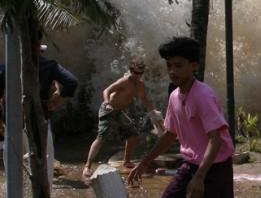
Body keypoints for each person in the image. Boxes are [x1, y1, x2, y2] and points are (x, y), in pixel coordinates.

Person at [128, 37, 236, 198]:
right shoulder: (175, 96)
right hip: (190, 166)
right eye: (169, 66)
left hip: (214, 169)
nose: (172, 71)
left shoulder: (203, 95)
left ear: (193, 65)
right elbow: (169, 135)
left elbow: (216, 140)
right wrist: (144, 162)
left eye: (178, 65)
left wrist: (200, 177)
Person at [0, 36, 78, 185]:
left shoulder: (7, 67)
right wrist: (55, 102)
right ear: (37, 49)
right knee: (44, 156)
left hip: (13, 118)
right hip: (38, 117)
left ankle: (15, 194)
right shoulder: (49, 66)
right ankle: (43, 194)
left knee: (14, 158)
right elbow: (71, 82)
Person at [82, 59, 159, 178]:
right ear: (131, 71)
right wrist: (107, 103)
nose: (138, 75)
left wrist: (153, 111)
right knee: (101, 138)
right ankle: (87, 167)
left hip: (122, 111)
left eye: (140, 73)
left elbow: (144, 99)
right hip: (109, 109)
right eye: (136, 72)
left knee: (133, 136)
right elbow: (107, 90)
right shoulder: (124, 81)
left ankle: (126, 161)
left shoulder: (140, 85)